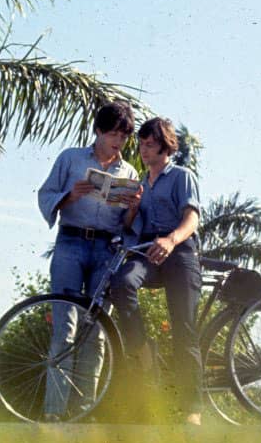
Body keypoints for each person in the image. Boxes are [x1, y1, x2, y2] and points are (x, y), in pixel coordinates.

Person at [36, 101, 139, 421]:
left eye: (123, 136)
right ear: (97, 130)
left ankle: (82, 411)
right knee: (64, 327)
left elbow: (127, 224)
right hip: (70, 242)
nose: (117, 141)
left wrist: (133, 206)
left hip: (105, 249)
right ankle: (54, 413)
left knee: (95, 331)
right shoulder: (70, 158)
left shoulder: (129, 171)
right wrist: (72, 195)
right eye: (112, 134)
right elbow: (45, 195)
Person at [110, 117, 203, 424]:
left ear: (165, 147)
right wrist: (133, 208)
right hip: (148, 251)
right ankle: (144, 352)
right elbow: (129, 226)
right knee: (122, 281)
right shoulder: (140, 184)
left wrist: (172, 240)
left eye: (150, 145)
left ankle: (192, 410)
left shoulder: (181, 176)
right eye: (141, 144)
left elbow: (192, 219)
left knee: (183, 329)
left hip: (179, 252)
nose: (143, 150)